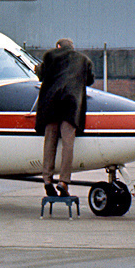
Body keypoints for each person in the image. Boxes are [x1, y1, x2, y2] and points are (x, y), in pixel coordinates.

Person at [34, 38, 94, 197]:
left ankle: (47, 179)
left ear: (58, 46)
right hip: (70, 104)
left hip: (51, 103)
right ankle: (63, 181)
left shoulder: (49, 56)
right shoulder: (83, 60)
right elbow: (90, 80)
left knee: (50, 141)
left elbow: (41, 74)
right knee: (68, 143)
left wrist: (37, 68)